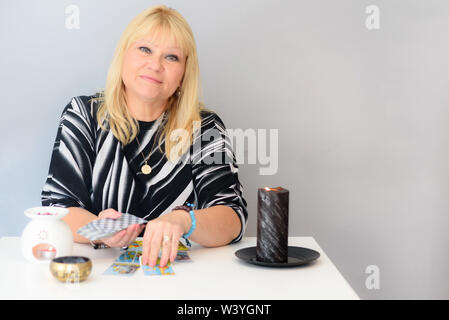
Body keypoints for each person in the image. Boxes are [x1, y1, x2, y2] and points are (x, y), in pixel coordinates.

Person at [41, 5, 248, 269]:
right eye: (145, 49)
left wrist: (185, 221)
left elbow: (232, 218)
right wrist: (99, 229)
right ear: (123, 55)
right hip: (100, 275)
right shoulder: (84, 114)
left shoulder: (204, 127)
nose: (155, 64)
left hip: (187, 278)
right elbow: (58, 208)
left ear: (184, 73)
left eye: (171, 57)